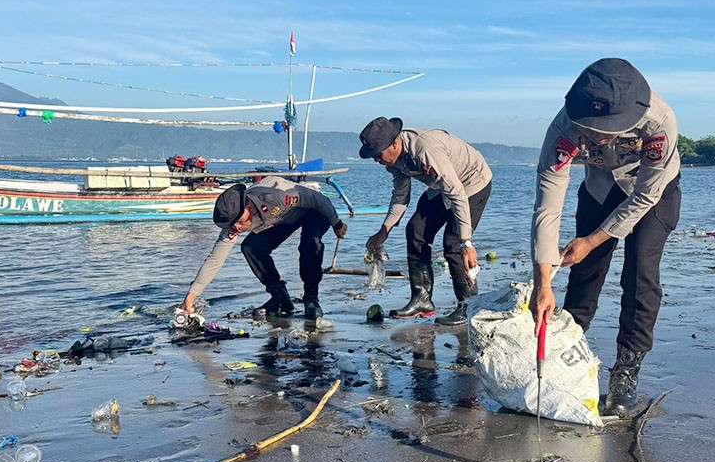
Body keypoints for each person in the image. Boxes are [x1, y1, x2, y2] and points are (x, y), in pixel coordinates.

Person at [530, 58, 681, 415]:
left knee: (640, 276)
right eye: (590, 128)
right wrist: (542, 281)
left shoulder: (660, 120)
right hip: (599, 187)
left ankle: (626, 372)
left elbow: (644, 196)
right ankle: (567, 354)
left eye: (606, 129)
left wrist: (593, 239)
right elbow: (548, 205)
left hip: (651, 193)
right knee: (583, 273)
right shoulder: (563, 128)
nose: (596, 137)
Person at [359, 117, 492, 325]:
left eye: (378, 154)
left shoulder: (424, 150)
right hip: (443, 186)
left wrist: (466, 242)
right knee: (415, 230)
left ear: (394, 143)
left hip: (472, 182)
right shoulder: (393, 161)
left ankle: (468, 304)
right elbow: (401, 196)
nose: (377, 160)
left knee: (453, 243)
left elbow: (456, 193)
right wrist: (383, 231)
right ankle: (421, 299)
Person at [180, 176, 347, 320]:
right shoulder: (233, 222)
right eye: (233, 224)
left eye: (239, 222)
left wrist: (337, 224)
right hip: (283, 220)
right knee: (251, 247)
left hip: (314, 211)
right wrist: (191, 297)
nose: (237, 227)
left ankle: (311, 298)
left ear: (248, 207)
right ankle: (280, 298)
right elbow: (215, 259)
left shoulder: (279, 195)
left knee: (309, 244)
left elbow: (320, 200)